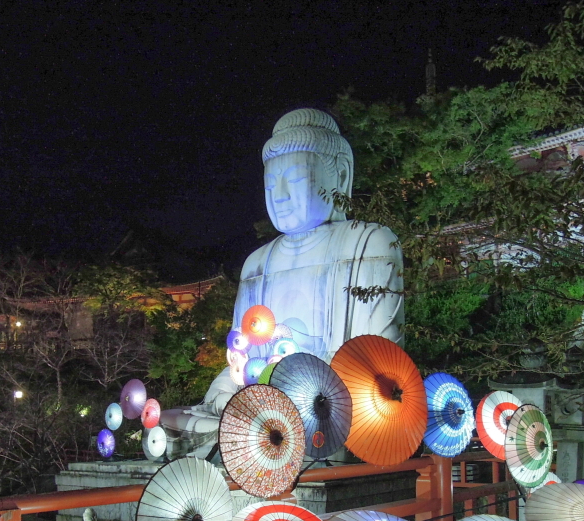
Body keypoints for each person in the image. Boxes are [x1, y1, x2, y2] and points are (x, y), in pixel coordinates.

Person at [161, 108, 404, 455]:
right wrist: (222, 395)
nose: (280, 195)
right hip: (261, 403)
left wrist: (297, 387)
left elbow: (380, 359)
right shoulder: (256, 264)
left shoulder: (370, 243)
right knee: (179, 419)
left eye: (296, 179)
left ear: (342, 176)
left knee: (313, 421)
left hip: (328, 405)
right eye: (271, 184)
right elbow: (240, 362)